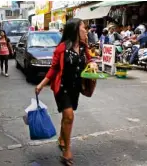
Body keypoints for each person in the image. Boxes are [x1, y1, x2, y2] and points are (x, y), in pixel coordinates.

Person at [35, 18, 97, 166]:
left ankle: (62, 138)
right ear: (75, 30)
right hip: (62, 88)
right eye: (83, 28)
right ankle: (67, 151)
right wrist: (41, 84)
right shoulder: (61, 48)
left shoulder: (83, 47)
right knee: (69, 115)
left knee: (66, 117)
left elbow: (89, 60)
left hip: (76, 88)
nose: (85, 31)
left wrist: (92, 63)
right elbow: (54, 68)